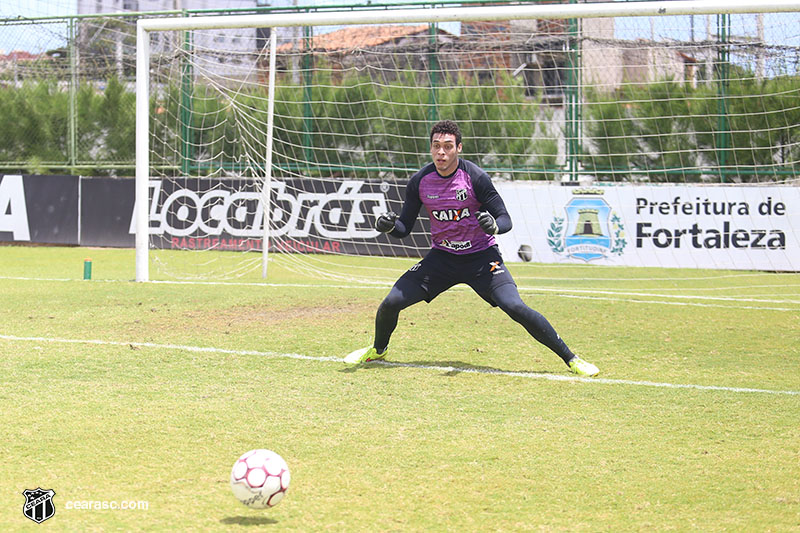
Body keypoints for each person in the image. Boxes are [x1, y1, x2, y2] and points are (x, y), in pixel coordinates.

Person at [345, 120, 599, 377]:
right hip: (442, 259)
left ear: (459, 148)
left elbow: (505, 218)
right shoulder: (420, 181)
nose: (441, 152)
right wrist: (388, 226)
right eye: (436, 146)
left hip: (481, 258)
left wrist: (494, 226)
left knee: (514, 306)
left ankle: (572, 359)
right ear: (430, 148)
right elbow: (403, 228)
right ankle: (378, 350)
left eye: (448, 146)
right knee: (391, 302)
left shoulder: (475, 177)